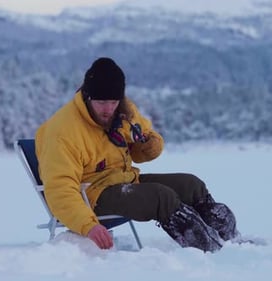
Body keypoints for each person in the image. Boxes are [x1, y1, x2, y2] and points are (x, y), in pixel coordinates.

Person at [35, 57, 239, 252]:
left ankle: (229, 238)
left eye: (113, 102)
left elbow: (145, 149)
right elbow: (59, 190)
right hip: (92, 195)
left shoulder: (123, 111)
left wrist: (148, 143)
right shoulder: (63, 132)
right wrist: (88, 225)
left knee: (191, 185)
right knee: (162, 197)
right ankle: (210, 249)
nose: (108, 109)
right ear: (87, 97)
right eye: (101, 102)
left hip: (124, 180)